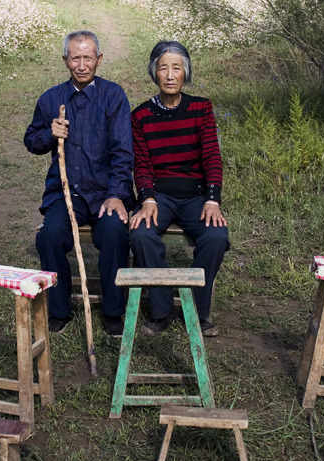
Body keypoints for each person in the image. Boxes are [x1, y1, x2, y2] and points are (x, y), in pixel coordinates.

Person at [24, 30, 133, 337]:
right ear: (65, 60)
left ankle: (113, 310)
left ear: (98, 59)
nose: (82, 65)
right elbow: (31, 141)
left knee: (113, 232)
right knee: (50, 236)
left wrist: (116, 195)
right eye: (75, 58)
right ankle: (60, 310)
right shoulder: (51, 99)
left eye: (88, 57)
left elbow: (124, 152)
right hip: (65, 192)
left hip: (104, 193)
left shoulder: (114, 96)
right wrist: (50, 133)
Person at [128, 40, 229, 337]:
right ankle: (161, 310)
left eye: (177, 68)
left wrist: (212, 200)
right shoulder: (141, 116)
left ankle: (195, 312)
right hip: (159, 195)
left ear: (186, 72)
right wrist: (146, 198)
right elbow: (142, 164)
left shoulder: (201, 109)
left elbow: (212, 156)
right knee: (142, 235)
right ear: (154, 73)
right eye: (163, 68)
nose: (170, 75)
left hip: (196, 195)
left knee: (216, 237)